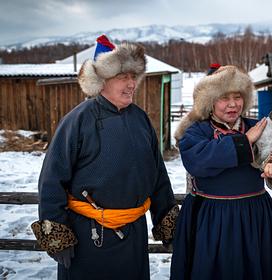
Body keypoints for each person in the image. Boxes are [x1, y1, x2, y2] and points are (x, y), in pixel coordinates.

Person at [31, 35, 179, 279]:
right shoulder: (77, 121)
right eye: (123, 77)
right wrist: (57, 233)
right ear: (101, 81)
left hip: (134, 235)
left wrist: (166, 221)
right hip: (88, 238)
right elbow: (51, 179)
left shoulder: (140, 119)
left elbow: (158, 177)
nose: (131, 84)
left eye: (134, 77)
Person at [170, 65, 272, 280]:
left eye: (237, 97)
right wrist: (245, 141)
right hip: (211, 219)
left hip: (254, 217)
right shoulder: (195, 132)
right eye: (224, 98)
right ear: (210, 102)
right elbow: (199, 161)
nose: (232, 104)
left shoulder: (259, 127)